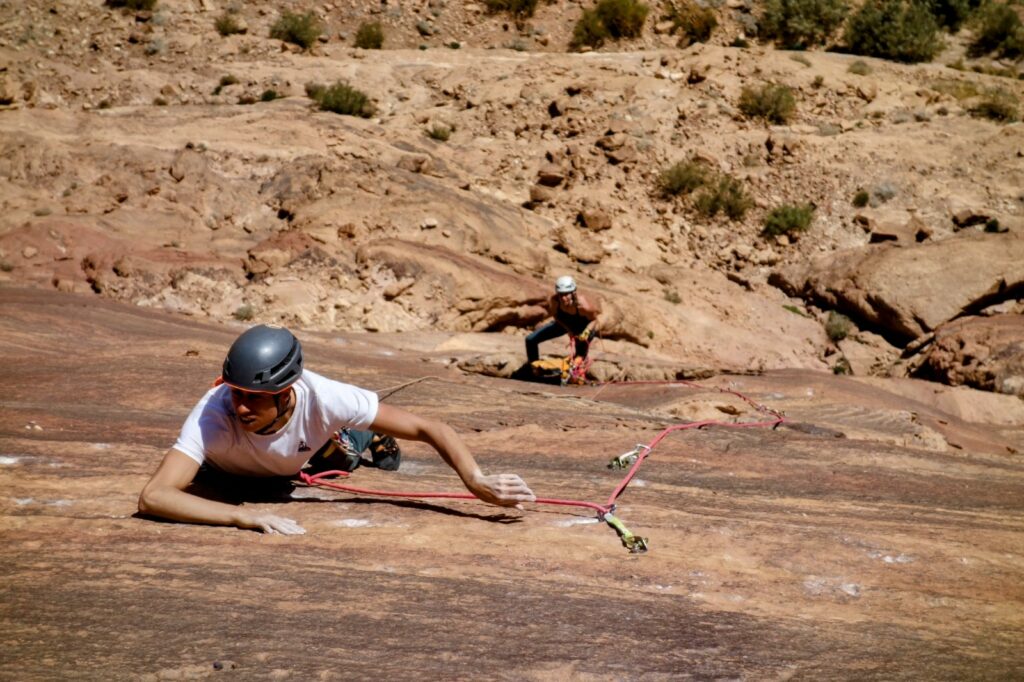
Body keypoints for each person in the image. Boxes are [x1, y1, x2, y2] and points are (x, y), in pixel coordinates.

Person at [139, 324, 536, 535]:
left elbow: (430, 427)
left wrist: (476, 479)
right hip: (241, 474)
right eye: (236, 392)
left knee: (344, 456)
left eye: (255, 397)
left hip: (301, 457)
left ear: (286, 391)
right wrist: (241, 518)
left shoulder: (325, 397)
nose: (240, 405)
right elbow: (154, 496)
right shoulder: (214, 413)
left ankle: (364, 433)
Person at [525, 275, 603, 364]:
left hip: (583, 329)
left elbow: (594, 319)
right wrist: (568, 329)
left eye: (566, 294)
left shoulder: (582, 306)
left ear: (573, 293)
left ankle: (576, 369)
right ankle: (534, 367)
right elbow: (556, 316)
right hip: (564, 324)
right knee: (530, 340)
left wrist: (587, 331)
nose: (563, 298)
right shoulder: (555, 301)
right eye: (561, 294)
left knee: (578, 359)